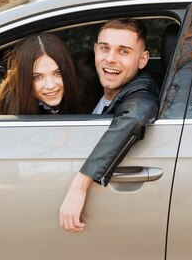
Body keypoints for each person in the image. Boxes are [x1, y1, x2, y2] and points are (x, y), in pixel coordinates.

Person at [58, 18, 159, 232]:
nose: (110, 59)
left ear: (142, 60)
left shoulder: (142, 94)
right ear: (95, 50)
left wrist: (80, 185)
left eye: (123, 51)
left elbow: (135, 116)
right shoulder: (97, 82)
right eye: (105, 48)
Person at [0, 32, 82, 115]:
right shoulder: (12, 112)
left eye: (58, 73)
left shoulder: (84, 91)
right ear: (23, 78)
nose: (50, 85)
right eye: (37, 77)